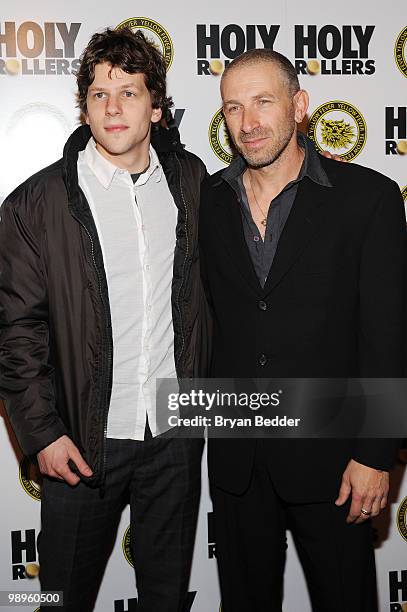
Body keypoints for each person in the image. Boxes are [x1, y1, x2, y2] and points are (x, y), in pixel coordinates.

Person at [0, 27, 208, 612]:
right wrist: (41, 433)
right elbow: (16, 332)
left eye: (130, 92)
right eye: (98, 94)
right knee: (60, 598)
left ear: (157, 106)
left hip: (172, 438)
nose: (113, 107)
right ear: (84, 107)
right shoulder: (35, 205)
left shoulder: (192, 184)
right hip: (81, 445)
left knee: (166, 596)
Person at [199, 48, 406, 611]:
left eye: (263, 102)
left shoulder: (369, 199)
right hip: (240, 462)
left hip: (336, 463)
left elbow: (388, 338)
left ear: (300, 105)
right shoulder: (207, 202)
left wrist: (375, 455)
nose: (249, 122)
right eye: (234, 107)